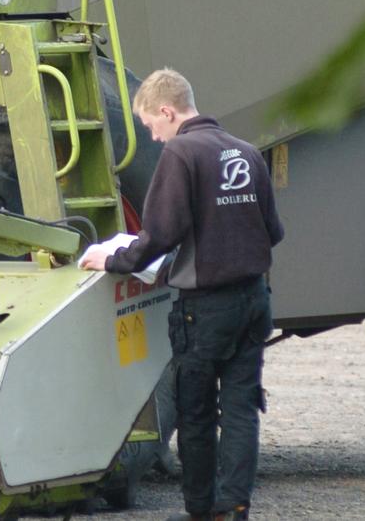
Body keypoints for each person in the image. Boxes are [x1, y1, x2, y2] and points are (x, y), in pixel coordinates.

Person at [80, 68, 283, 521]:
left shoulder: (182, 154)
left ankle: (199, 508)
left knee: (195, 412)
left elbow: (158, 236)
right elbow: (274, 231)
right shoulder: (248, 153)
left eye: (152, 126)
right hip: (254, 301)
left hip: (206, 309)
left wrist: (112, 260)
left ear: (168, 112)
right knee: (241, 409)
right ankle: (233, 506)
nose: (153, 138)